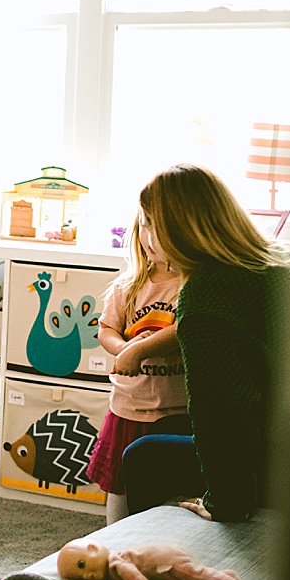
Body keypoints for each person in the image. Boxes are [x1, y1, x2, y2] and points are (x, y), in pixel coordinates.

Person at [121, 164, 290, 523]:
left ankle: (157, 557)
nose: (144, 234)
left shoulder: (207, 295)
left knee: (142, 456)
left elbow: (221, 411)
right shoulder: (278, 262)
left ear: (180, 228)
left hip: (282, 452)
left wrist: (225, 502)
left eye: (150, 223)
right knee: (166, 429)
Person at [87, 209, 190, 524]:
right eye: (146, 227)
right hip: (130, 408)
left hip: (177, 409)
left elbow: (185, 327)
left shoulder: (191, 285)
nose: (151, 238)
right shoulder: (128, 286)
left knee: (173, 498)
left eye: (162, 229)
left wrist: (142, 350)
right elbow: (106, 330)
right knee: (120, 491)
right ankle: (115, 541)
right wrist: (124, 350)